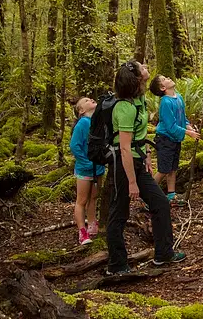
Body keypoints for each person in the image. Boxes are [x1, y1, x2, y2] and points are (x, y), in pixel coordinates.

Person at [106, 60, 186, 275]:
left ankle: (164, 254)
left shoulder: (139, 98)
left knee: (160, 203)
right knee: (119, 213)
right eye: (142, 68)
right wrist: (132, 182)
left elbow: (140, 136)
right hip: (123, 165)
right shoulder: (124, 107)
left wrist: (148, 155)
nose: (146, 68)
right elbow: (123, 148)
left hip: (138, 161)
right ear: (136, 78)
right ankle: (117, 265)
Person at [149, 74, 200, 204]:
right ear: (162, 87)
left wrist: (189, 126)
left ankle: (171, 195)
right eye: (165, 79)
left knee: (172, 168)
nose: (169, 78)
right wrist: (188, 133)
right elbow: (170, 126)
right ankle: (148, 195)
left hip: (175, 139)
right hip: (165, 139)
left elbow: (183, 117)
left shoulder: (179, 97)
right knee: (163, 170)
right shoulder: (165, 102)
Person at [70, 97, 104, 245]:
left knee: (94, 197)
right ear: (81, 110)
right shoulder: (82, 123)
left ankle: (92, 224)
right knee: (82, 200)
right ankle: (82, 232)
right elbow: (75, 146)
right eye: (86, 100)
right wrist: (86, 162)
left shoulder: (97, 120)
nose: (91, 99)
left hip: (98, 167)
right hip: (85, 169)